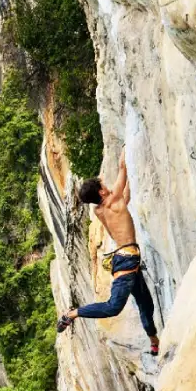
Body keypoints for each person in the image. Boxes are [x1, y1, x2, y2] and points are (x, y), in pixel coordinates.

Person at [56, 149, 160, 356]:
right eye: (103, 186)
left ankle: (154, 342)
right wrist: (125, 148)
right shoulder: (112, 201)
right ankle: (73, 313)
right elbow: (123, 168)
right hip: (126, 262)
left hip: (127, 259)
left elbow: (124, 201)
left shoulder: (100, 209)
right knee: (113, 307)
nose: (107, 186)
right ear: (102, 193)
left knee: (145, 304)